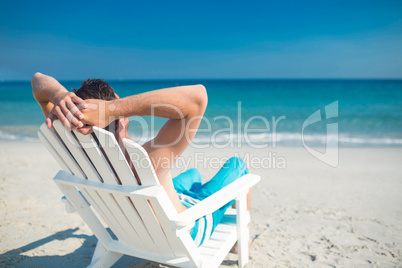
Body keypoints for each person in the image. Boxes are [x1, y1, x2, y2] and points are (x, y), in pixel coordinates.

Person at [32, 72, 252, 247]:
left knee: (193, 174)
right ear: (117, 104)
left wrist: (60, 96)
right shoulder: (147, 159)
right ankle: (245, 237)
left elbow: (38, 80)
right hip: (184, 232)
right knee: (238, 165)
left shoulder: (75, 151)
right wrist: (112, 109)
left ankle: (192, 192)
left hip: (130, 231)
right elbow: (198, 97)